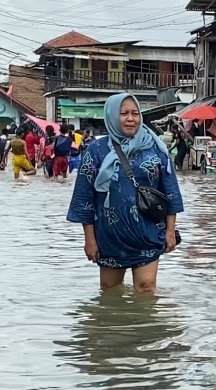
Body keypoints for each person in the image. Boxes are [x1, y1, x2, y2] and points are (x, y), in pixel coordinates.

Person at [67, 92, 183, 292]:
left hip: (147, 234)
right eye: (124, 113)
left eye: (135, 113)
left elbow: (171, 192)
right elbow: (84, 199)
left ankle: (144, 325)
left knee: (147, 288)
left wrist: (170, 231)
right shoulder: (96, 151)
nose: (131, 119)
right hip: (109, 238)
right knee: (109, 291)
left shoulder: (156, 149)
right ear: (112, 116)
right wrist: (90, 240)